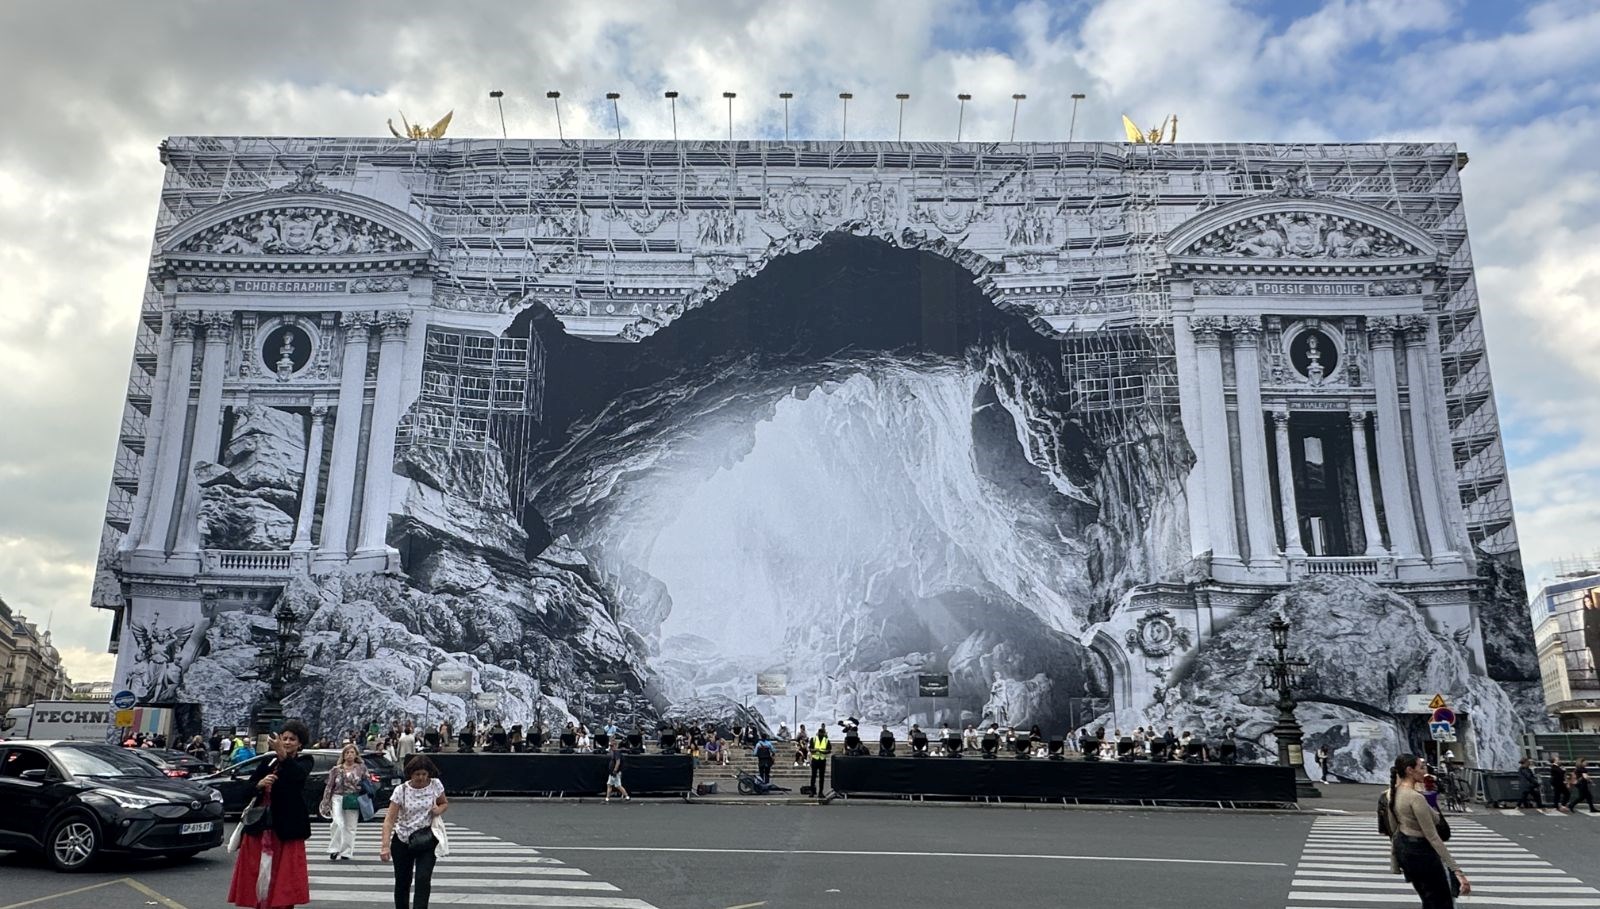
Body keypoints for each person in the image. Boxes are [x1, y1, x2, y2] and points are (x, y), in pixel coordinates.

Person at [228, 719, 314, 909]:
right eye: (285, 738)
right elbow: (245, 790)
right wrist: (259, 785)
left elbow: (297, 778)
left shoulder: (304, 761)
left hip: (285, 829)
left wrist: (283, 756)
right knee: (259, 875)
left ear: (300, 743)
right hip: (261, 826)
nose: (288, 742)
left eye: (293, 739)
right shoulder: (268, 761)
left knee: (283, 879)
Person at [1387, 754, 1469, 907]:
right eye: (1421, 767)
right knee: (1441, 902)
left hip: (1406, 850)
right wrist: (1457, 870)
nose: (1424, 771)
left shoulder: (1394, 793)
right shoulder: (1415, 798)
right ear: (1410, 770)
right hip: (1422, 853)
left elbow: (1393, 828)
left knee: (1428, 899)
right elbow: (1433, 836)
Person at [382, 754, 449, 909]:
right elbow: (389, 819)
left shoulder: (435, 785)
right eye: (417, 774)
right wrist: (385, 846)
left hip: (426, 839)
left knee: (423, 879)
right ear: (410, 774)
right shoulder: (401, 790)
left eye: (424, 774)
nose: (421, 778)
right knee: (403, 881)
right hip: (403, 840)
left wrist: (438, 810)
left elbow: (444, 803)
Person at [321, 743, 367, 862]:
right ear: (343, 755)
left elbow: (367, 782)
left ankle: (346, 852)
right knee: (337, 823)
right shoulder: (336, 769)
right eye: (347, 753)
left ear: (356, 755)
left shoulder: (361, 768)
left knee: (350, 826)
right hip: (338, 797)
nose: (350, 755)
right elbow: (329, 786)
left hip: (352, 798)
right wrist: (326, 801)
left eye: (352, 752)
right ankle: (334, 849)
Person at [809, 725, 831, 799]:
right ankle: (812, 791)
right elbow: (810, 749)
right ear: (818, 733)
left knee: (822, 777)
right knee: (813, 776)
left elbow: (829, 750)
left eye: (822, 733)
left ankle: (820, 792)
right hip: (815, 759)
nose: (821, 734)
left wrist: (823, 751)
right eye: (820, 733)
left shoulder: (826, 740)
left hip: (822, 760)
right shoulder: (813, 739)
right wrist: (815, 750)